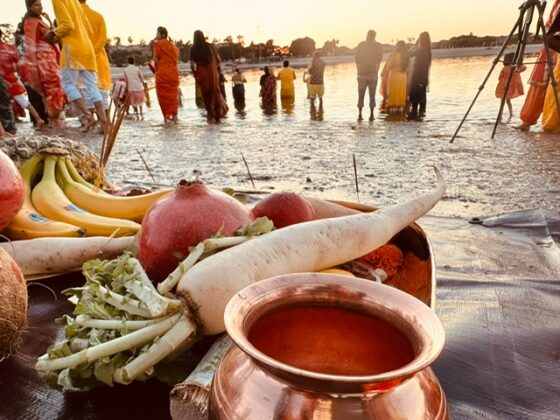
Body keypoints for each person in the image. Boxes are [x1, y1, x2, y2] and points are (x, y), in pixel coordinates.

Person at [49, 0, 107, 133]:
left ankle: (88, 116)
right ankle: (104, 121)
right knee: (92, 86)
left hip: (72, 49)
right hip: (87, 49)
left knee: (68, 85)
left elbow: (67, 25)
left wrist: (53, 34)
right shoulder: (75, 2)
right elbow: (88, 29)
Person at [516, 0, 560, 131]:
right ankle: (530, 120)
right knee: (542, 80)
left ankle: (551, 125)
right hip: (553, 40)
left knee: (555, 83)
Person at [21, 0, 64, 128]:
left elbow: (53, 36)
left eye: (41, 4)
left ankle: (54, 120)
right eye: (37, 5)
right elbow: (50, 38)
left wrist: (50, 21)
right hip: (44, 62)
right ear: (30, 7)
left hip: (49, 60)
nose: (41, 7)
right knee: (52, 89)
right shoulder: (31, 22)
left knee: (54, 89)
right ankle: (53, 120)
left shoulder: (38, 21)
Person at [0, 28, 45, 129]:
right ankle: (38, 119)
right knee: (23, 102)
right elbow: (20, 65)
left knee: (14, 103)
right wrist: (24, 77)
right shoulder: (11, 48)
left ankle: (4, 129)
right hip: (11, 80)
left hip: (3, 81)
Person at [79, 0, 111, 114]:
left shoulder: (74, 17)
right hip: (99, 61)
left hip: (81, 62)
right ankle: (106, 126)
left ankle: (92, 125)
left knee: (87, 97)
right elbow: (102, 39)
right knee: (102, 97)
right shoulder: (98, 16)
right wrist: (93, 53)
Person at [189, 30, 228, 122]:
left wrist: (195, 74)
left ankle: (210, 122)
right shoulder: (210, 47)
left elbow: (191, 65)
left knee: (207, 99)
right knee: (216, 95)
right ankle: (218, 121)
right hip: (213, 74)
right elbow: (218, 60)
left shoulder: (193, 48)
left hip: (202, 76)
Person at [355, 30, 383, 121]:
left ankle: (360, 114)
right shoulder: (378, 46)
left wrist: (359, 72)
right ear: (375, 36)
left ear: (367, 35)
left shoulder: (361, 45)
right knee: (372, 95)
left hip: (362, 74)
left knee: (361, 95)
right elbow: (378, 62)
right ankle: (371, 115)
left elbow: (357, 60)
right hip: (372, 74)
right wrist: (376, 72)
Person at [153, 26, 179, 124]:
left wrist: (156, 69)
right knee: (173, 97)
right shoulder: (173, 46)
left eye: (157, 33)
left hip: (162, 74)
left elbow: (156, 61)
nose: (156, 35)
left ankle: (166, 119)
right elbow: (175, 59)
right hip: (173, 74)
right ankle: (175, 117)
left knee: (163, 98)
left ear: (162, 34)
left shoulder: (158, 44)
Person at [495, 52, 526, 120]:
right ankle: (511, 113)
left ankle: (501, 115)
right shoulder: (514, 68)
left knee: (502, 101)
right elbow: (524, 68)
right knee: (508, 101)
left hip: (503, 85)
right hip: (509, 85)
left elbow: (500, 77)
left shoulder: (505, 68)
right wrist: (520, 63)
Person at [408, 32, 432, 119]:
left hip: (417, 78)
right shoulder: (427, 50)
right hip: (423, 79)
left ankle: (415, 119)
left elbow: (409, 54)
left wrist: (414, 45)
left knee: (415, 101)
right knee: (422, 100)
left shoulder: (421, 50)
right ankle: (420, 118)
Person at [382, 41, 409, 114]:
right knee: (400, 93)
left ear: (398, 46)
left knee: (393, 94)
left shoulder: (394, 55)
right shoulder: (406, 56)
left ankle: (393, 112)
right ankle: (400, 110)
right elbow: (407, 68)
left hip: (394, 76)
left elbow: (388, 67)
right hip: (403, 77)